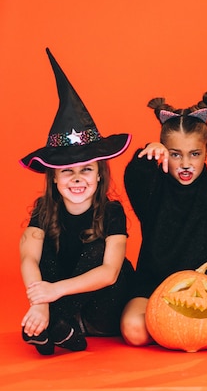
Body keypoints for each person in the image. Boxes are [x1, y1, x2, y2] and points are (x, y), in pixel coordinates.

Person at [19, 48, 134, 355]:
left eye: (86, 170)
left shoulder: (111, 211)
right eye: (67, 172)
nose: (77, 179)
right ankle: (58, 328)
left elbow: (110, 271)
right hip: (54, 299)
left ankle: (57, 323)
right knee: (43, 253)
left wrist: (52, 294)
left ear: (99, 176)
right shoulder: (45, 210)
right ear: (54, 179)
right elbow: (28, 258)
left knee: (99, 251)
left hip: (103, 308)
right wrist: (39, 301)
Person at [120, 92, 207, 347]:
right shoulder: (154, 190)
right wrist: (147, 157)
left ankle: (188, 328)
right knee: (135, 331)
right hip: (152, 288)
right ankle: (176, 329)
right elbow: (135, 180)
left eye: (194, 154)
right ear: (164, 154)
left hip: (205, 289)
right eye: (175, 154)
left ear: (205, 152)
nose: (185, 164)